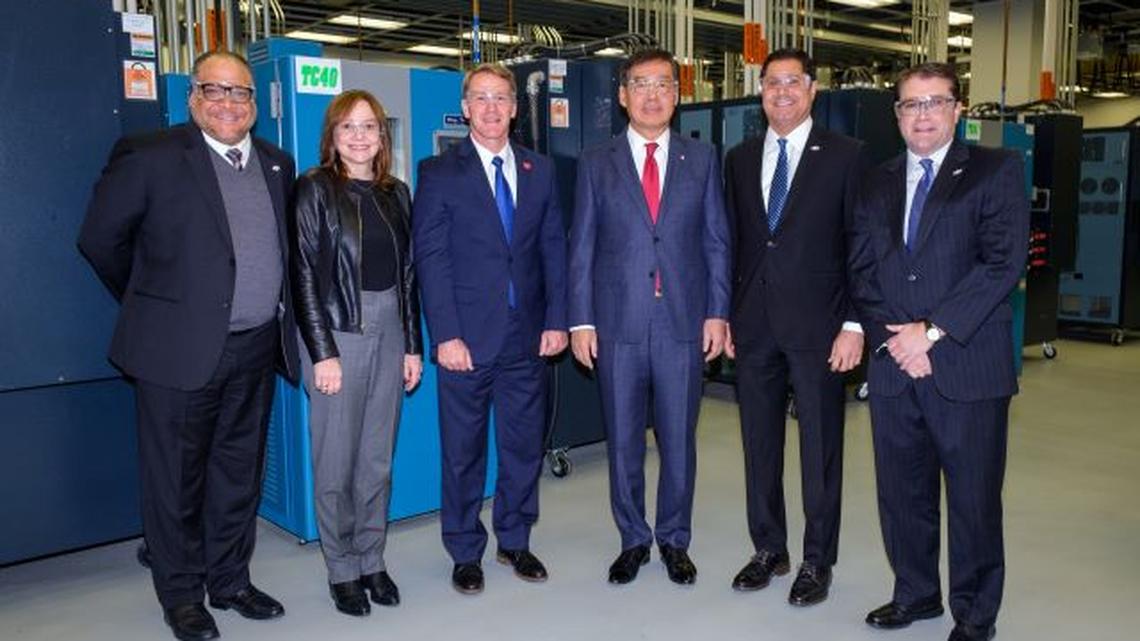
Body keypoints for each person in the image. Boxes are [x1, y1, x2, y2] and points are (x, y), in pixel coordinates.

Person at [78, 50, 298, 641]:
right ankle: (181, 596)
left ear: (254, 105)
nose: (229, 103)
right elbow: (101, 241)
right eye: (216, 90)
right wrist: (155, 303)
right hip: (175, 351)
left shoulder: (278, 164)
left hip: (255, 347)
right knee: (173, 479)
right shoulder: (150, 155)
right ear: (193, 96)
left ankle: (230, 581)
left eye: (241, 93)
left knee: (238, 472)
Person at [848, 62, 1028, 641]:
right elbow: (863, 271)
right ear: (896, 115)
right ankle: (916, 593)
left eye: (934, 102)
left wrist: (930, 332)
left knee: (973, 499)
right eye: (909, 105)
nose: (921, 114)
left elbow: (1002, 262)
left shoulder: (995, 170)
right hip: (896, 365)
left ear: (957, 110)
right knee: (903, 494)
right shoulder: (876, 181)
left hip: (965, 364)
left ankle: (975, 616)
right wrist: (897, 340)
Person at [568, 48, 731, 586]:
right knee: (622, 440)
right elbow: (582, 248)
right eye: (641, 84)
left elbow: (716, 243)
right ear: (622, 95)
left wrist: (717, 313)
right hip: (617, 325)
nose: (653, 94)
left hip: (683, 323)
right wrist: (581, 320)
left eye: (664, 84)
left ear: (679, 96)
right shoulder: (596, 162)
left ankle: (674, 540)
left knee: (679, 438)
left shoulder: (702, 159)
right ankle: (633, 539)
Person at [412, 63, 568, 595]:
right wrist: (446, 336)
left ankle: (516, 539)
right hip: (466, 342)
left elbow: (553, 249)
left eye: (501, 97)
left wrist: (556, 320)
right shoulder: (438, 172)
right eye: (481, 98)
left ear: (516, 107)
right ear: (466, 107)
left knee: (523, 446)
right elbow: (431, 259)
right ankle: (464, 549)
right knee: (463, 451)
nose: (492, 108)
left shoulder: (539, 170)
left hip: (527, 336)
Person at [722, 48, 865, 606]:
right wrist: (725, 314)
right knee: (758, 444)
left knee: (821, 449)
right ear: (761, 92)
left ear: (812, 90)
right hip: (753, 325)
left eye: (792, 82)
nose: (781, 92)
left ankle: (816, 560)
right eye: (771, 83)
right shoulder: (739, 157)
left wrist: (855, 323)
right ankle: (769, 549)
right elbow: (732, 243)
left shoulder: (848, 156)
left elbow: (861, 245)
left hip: (821, 327)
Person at [292, 90, 423, 617]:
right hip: (336, 333)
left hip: (391, 327)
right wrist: (321, 352)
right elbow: (302, 274)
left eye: (370, 126)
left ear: (382, 136)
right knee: (336, 462)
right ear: (333, 136)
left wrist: (413, 346)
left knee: (376, 460)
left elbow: (409, 276)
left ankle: (372, 558)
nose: (360, 136)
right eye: (348, 127)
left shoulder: (398, 193)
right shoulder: (315, 189)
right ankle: (341, 568)